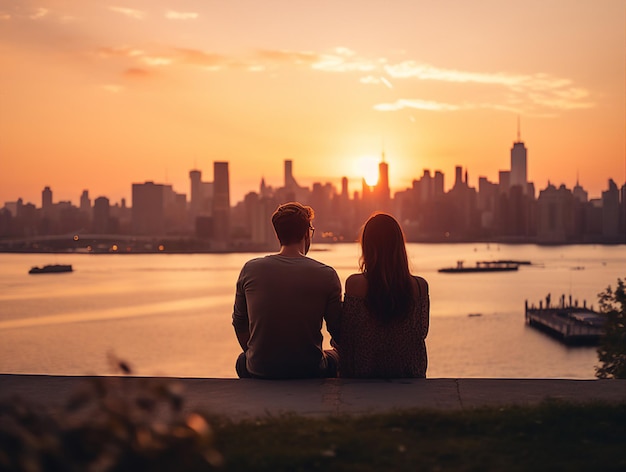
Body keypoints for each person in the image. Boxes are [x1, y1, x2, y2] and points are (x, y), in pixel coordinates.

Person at [232, 202, 342, 379]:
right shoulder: (326, 275)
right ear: (307, 233)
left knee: (242, 360)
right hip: (311, 370)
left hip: (259, 370)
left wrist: (259, 357)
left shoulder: (250, 269)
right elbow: (337, 330)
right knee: (336, 357)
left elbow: (239, 323)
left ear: (278, 235)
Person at [338, 212, 429, 378]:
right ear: (400, 245)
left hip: (364, 376)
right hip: (410, 375)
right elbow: (422, 332)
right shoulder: (420, 286)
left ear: (367, 246)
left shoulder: (354, 284)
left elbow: (348, 336)